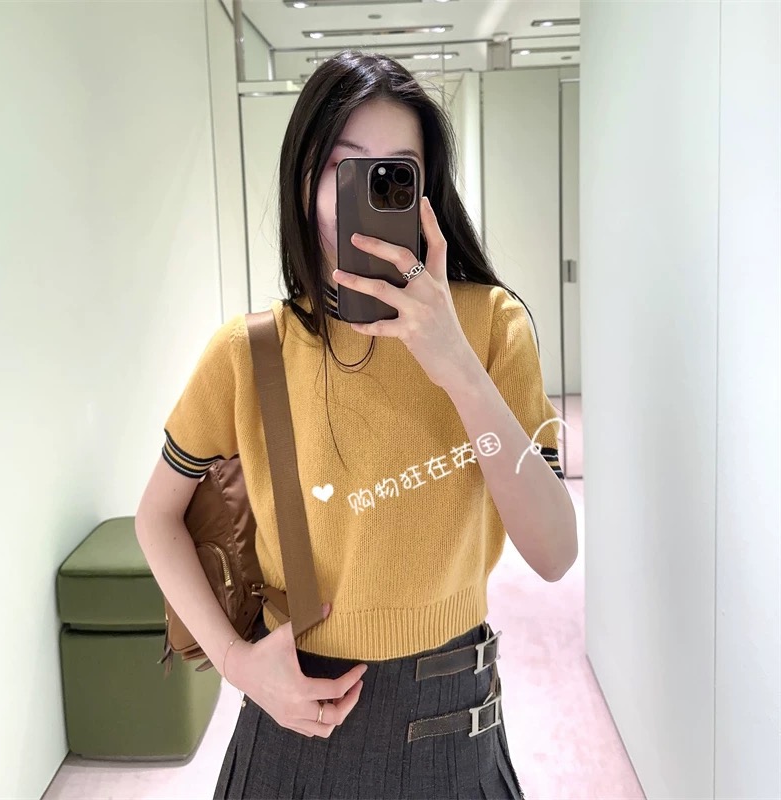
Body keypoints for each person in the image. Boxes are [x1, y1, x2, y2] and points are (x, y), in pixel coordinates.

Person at [135, 49, 576, 800]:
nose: (369, 194)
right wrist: (236, 663)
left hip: (453, 719)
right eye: (346, 168)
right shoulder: (250, 352)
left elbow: (556, 552)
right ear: (305, 182)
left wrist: (457, 366)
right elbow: (156, 517)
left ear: (425, 195)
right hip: (292, 724)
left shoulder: (491, 327)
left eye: (395, 174)